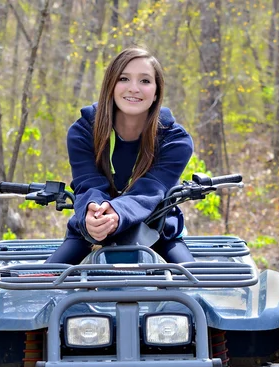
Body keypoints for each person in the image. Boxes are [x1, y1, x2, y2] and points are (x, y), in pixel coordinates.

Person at [46, 46, 194, 264]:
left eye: (144, 81)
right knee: (46, 280)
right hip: (93, 227)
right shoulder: (83, 132)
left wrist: (116, 212)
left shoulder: (175, 140)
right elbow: (88, 184)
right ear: (111, 86)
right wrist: (94, 214)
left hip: (156, 228)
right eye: (124, 79)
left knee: (193, 283)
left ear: (156, 93)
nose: (134, 88)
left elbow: (152, 191)